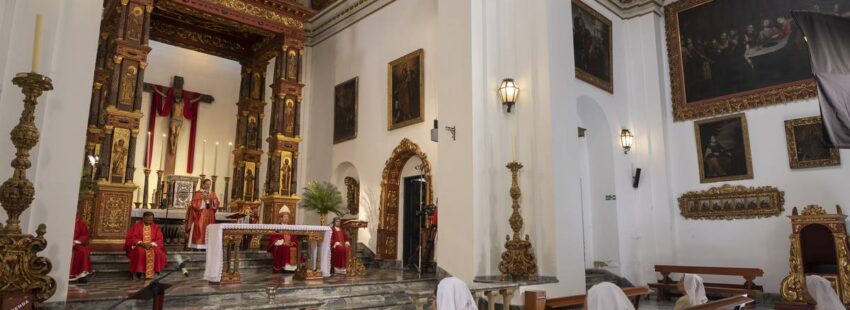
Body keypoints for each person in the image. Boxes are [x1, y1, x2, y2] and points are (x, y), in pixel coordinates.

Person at [125, 211, 167, 280]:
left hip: (151, 245)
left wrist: (150, 244)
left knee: (157, 252)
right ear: (143, 219)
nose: (149, 222)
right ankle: (138, 271)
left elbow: (159, 239)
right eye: (147, 220)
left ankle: (151, 272)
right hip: (139, 245)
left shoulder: (156, 227)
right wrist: (142, 243)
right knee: (140, 252)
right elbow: (131, 237)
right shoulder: (137, 226)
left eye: (151, 220)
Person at [186, 179, 219, 250]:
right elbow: (194, 204)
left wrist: (212, 200)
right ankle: (198, 246)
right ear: (203, 184)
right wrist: (203, 200)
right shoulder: (198, 193)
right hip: (200, 214)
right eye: (207, 184)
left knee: (209, 230)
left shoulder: (212, 194)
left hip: (210, 214)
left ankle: (207, 246)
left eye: (209, 184)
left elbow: (216, 204)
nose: (208, 186)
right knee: (200, 229)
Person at [267, 207, 298, 272]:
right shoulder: (277, 227)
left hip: (289, 244)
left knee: (296, 249)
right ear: (281, 218)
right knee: (284, 248)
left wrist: (292, 243)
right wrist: (282, 242)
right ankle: (283, 267)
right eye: (285, 216)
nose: (286, 218)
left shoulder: (291, 227)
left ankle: (293, 268)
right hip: (281, 245)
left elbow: (294, 238)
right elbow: (273, 238)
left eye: (287, 217)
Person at [69, 216, 93, 283]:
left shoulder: (80, 223)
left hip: (76, 244)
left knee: (82, 252)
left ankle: (81, 276)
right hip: (64, 244)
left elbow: (84, 235)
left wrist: (76, 241)